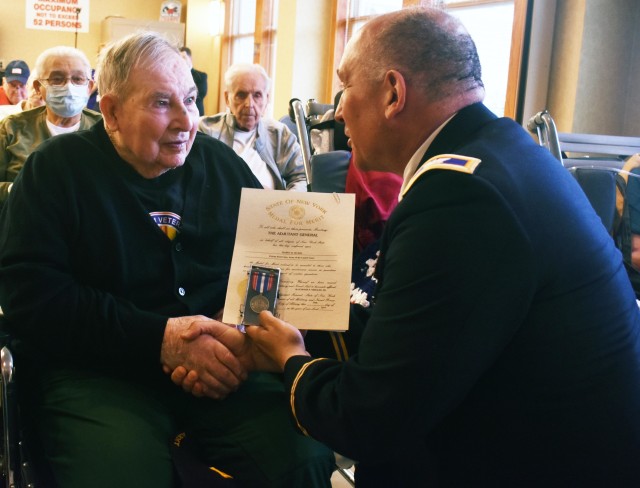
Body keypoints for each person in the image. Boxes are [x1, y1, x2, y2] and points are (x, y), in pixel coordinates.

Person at [172, 6, 640, 486]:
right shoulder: (503, 153)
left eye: (345, 86)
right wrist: (268, 347)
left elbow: (368, 419)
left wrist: (292, 361)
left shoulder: (460, 198)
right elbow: (414, 332)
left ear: (393, 93)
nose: (335, 110)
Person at [0, 32, 333, 488]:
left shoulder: (220, 166)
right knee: (124, 475)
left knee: (304, 458)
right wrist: (162, 340)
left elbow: (268, 265)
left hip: (225, 364)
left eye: (191, 100)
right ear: (112, 111)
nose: (186, 121)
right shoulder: (56, 171)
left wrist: (238, 331)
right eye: (161, 104)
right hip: (98, 372)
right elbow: (32, 299)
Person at [0, 46, 101, 207]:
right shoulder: (12, 128)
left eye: (77, 79)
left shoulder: (105, 130)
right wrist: (18, 188)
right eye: (57, 79)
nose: (68, 87)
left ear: (89, 87)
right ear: (38, 87)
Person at [199, 63, 307, 191]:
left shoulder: (279, 134)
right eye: (241, 95)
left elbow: (300, 177)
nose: (249, 104)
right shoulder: (206, 131)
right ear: (227, 98)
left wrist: (284, 205)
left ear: (266, 99)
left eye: (257, 95)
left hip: (269, 208)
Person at [179, 46, 208, 116]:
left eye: (183, 57)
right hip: (181, 112)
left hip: (197, 112)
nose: (181, 60)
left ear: (190, 59)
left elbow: (201, 93)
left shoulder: (201, 75)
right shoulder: (176, 76)